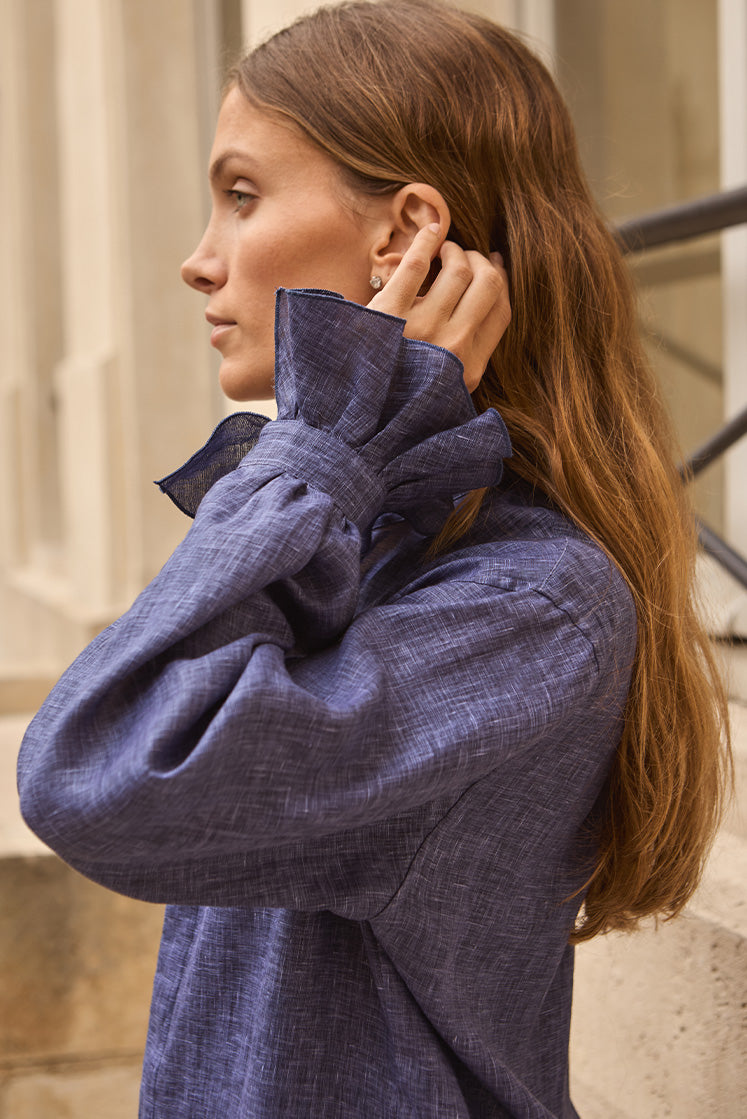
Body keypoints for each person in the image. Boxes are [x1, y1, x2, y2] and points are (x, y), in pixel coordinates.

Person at [17, 1, 730, 1116]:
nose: (198, 262)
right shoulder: (367, 537)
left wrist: (320, 445)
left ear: (405, 235)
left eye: (241, 195)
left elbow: (100, 775)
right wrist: (336, 466)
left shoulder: (529, 608)